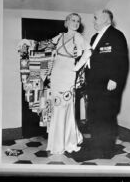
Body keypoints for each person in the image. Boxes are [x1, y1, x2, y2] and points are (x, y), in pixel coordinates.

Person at [73, 9, 129, 159]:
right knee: (95, 115)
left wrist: (115, 78)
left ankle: (107, 150)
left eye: (96, 18)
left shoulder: (116, 36)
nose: (94, 21)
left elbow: (121, 60)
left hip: (107, 84)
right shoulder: (94, 37)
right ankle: (97, 144)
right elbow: (91, 59)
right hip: (94, 85)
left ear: (106, 20)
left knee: (106, 116)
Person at [46, 13, 91, 155]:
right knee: (56, 106)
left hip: (68, 75)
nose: (76, 23)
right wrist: (27, 42)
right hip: (56, 75)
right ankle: (57, 141)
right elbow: (45, 45)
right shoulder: (59, 36)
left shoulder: (78, 37)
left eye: (78, 21)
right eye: (73, 20)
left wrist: (76, 68)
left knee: (65, 107)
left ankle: (67, 141)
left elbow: (88, 52)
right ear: (66, 22)